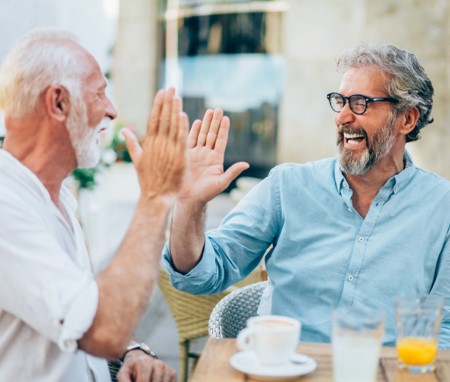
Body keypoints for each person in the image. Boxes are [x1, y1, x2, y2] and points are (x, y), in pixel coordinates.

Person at [162, 43, 450, 348]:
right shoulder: (286, 186)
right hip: (285, 370)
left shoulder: (442, 207)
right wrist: (190, 205)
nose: (343, 117)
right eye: (340, 102)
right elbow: (200, 275)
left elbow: (445, 326)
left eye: (361, 103)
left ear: (407, 119)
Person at [0, 28, 187, 381]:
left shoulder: (58, 197)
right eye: (100, 93)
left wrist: (131, 350)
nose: (112, 111)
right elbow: (101, 331)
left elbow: (79, 311)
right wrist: (157, 196)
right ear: (58, 103)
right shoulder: (5, 204)